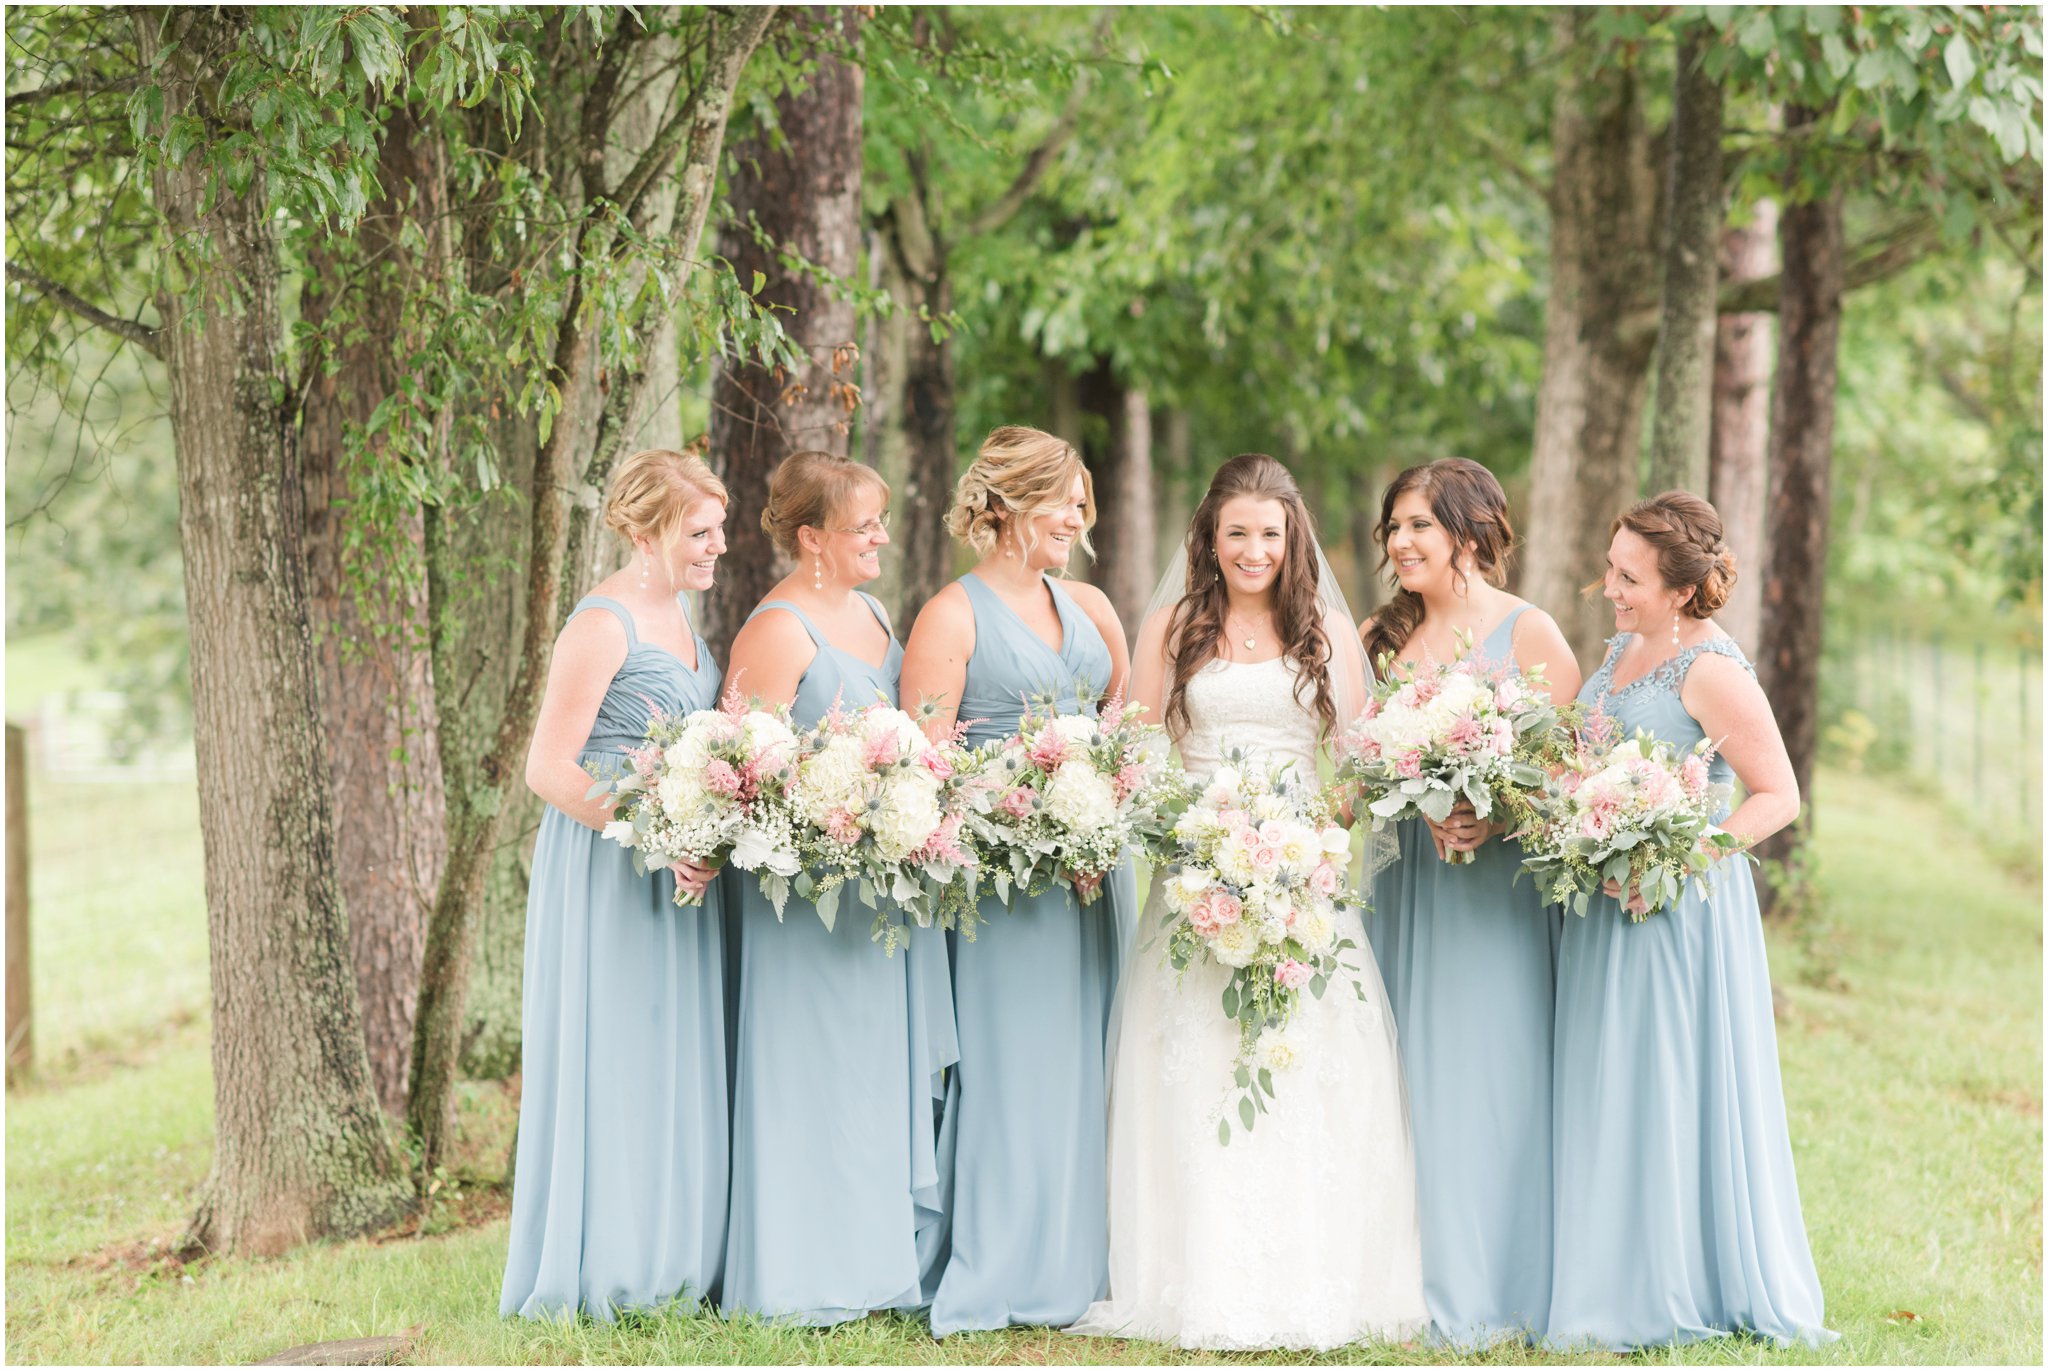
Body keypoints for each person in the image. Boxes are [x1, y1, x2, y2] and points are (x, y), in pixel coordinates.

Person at [1067, 453, 1428, 1351]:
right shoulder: (1175, 626)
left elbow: (1364, 764)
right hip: (1194, 875)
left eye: (1270, 533)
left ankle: (1312, 1275)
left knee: (1300, 1070)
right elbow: (1135, 747)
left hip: (1303, 884)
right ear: (1211, 537)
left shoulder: (1327, 634)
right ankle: (1191, 1277)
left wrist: (1307, 847)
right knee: (1196, 1069)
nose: (1254, 550)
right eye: (1237, 533)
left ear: (1292, 536)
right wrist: (1196, 840)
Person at [1546, 491, 1833, 1351]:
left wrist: (1677, 859)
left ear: (1681, 589)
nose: (1610, 587)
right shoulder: (1625, 647)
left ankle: (1667, 1282)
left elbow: (1778, 795)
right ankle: (1608, 1268)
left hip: (1675, 913)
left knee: (1662, 1088)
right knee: (1611, 1085)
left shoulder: (1710, 669)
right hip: (1604, 905)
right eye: (1610, 566)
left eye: (1629, 576)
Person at [899, 425, 1133, 1338]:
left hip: (1089, 877)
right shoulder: (949, 617)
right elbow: (924, 766)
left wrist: (1100, 805)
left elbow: (1123, 728)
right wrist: (1026, 810)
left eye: (1082, 503)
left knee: (1091, 1057)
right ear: (1006, 506)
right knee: (1013, 1066)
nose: (1079, 518)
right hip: (1001, 887)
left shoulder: (1092, 605)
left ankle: (1090, 1255)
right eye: (1064, 502)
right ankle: (1003, 1257)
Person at [718, 451, 955, 1325]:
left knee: (867, 1082)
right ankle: (801, 1275)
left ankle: (876, 1267)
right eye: (864, 526)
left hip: (876, 893)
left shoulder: (875, 613)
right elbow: (736, 773)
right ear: (812, 536)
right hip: (803, 906)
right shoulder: (776, 631)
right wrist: (833, 806)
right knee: (810, 1081)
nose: (882, 538)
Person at [500, 448, 731, 1321]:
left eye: (718, 527)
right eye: (698, 530)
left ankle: (672, 1255)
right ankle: (607, 1268)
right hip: (609, 864)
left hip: (678, 863)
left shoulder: (676, 615)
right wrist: (655, 830)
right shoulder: (602, 624)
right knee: (618, 1056)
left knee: (668, 1054)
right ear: (643, 530)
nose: (716, 545)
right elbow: (547, 768)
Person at [1357, 458, 1580, 1347]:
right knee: (1399, 1069)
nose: (1402, 543)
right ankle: (1402, 1277)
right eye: (1395, 527)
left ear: (1470, 533)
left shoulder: (1532, 636)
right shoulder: (1378, 635)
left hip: (1494, 892)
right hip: (1405, 879)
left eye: (1419, 526)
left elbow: (1566, 770)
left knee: (1487, 1074)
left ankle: (1494, 1279)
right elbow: (1355, 755)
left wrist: (1493, 814)